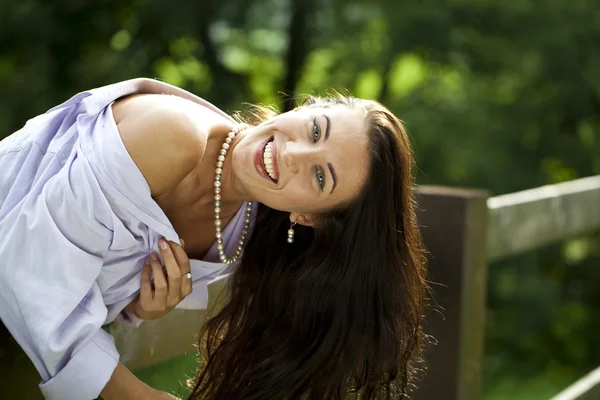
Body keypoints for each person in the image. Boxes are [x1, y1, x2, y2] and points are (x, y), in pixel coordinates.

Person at [0, 78, 427, 399]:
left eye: (320, 176)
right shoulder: (174, 135)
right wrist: (131, 393)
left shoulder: (239, 232)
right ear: (305, 107)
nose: (292, 154)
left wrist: (135, 306)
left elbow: (75, 267)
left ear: (309, 216)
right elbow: (25, 264)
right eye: (315, 130)